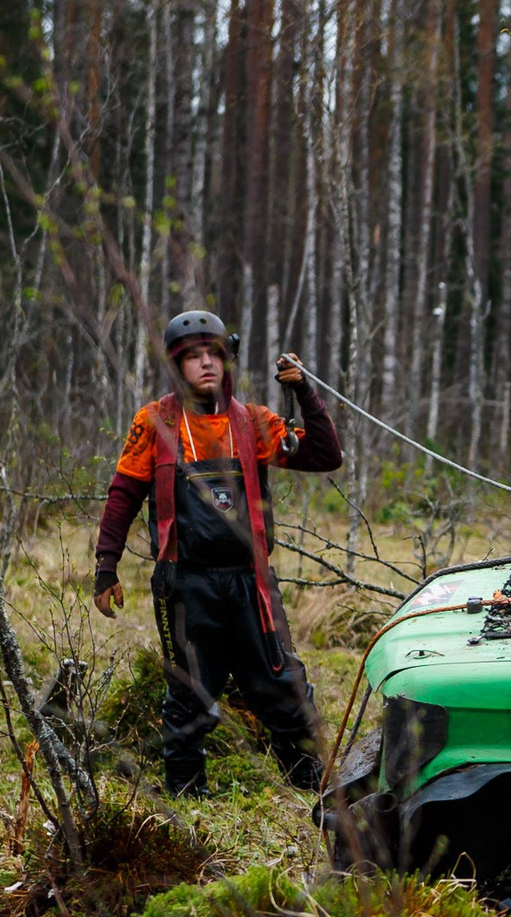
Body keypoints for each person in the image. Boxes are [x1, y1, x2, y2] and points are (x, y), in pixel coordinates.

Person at [94, 309, 344, 796]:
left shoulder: (252, 422)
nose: (205, 363)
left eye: (214, 354)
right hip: (184, 583)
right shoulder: (154, 422)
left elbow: (325, 455)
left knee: (283, 687)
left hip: (251, 582)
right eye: (193, 357)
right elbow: (122, 495)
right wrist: (107, 567)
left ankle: (312, 795)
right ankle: (187, 802)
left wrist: (305, 393)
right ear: (176, 366)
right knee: (188, 699)